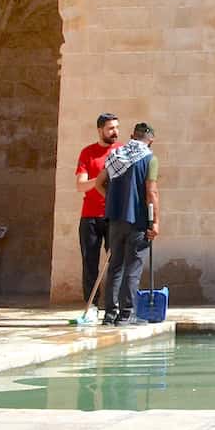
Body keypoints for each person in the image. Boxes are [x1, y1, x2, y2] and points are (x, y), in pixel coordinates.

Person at [96, 122, 159, 325]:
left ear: (132, 135)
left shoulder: (116, 155)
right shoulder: (150, 159)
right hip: (138, 221)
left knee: (115, 266)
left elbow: (98, 183)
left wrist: (114, 201)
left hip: (115, 220)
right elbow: (151, 192)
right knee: (133, 267)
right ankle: (126, 313)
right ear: (151, 141)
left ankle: (109, 314)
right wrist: (155, 222)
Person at [73, 113, 121, 304]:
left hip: (113, 215)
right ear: (100, 130)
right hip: (90, 216)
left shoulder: (121, 151)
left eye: (117, 127)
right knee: (90, 262)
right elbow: (80, 185)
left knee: (117, 262)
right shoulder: (88, 153)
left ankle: (113, 304)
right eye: (110, 128)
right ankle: (91, 305)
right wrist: (100, 179)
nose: (115, 132)